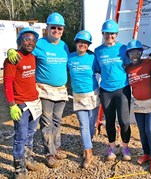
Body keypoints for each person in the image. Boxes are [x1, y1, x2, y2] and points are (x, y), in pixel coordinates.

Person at [8, 12, 69, 168]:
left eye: (59, 28)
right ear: (47, 28)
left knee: (57, 121)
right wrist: (12, 51)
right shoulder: (39, 44)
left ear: (63, 29)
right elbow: (24, 52)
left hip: (61, 91)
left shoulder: (64, 45)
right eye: (53, 27)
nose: (56, 30)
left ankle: (56, 148)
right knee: (47, 123)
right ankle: (49, 154)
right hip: (44, 90)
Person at [3, 27, 43, 178]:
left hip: (34, 102)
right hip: (21, 104)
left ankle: (28, 159)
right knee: (20, 136)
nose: (30, 42)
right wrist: (12, 104)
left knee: (31, 133)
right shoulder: (12, 60)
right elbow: (7, 83)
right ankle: (19, 169)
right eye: (26, 38)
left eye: (33, 40)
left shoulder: (32, 57)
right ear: (19, 41)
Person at [94, 19, 132, 161]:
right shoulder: (98, 51)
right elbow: (97, 69)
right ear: (103, 33)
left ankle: (125, 147)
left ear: (116, 34)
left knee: (124, 121)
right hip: (106, 90)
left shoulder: (123, 49)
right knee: (109, 120)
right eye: (107, 33)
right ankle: (112, 147)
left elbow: (130, 65)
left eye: (112, 34)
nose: (109, 36)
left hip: (122, 89)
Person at [125, 40, 151, 173]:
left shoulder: (150, 63)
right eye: (131, 52)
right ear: (128, 54)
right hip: (137, 103)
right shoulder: (128, 68)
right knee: (142, 130)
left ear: (141, 52)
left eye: (137, 51)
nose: (134, 54)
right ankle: (146, 154)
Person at [68, 30, 99, 168]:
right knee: (83, 125)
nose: (83, 45)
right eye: (80, 42)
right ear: (76, 42)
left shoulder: (93, 58)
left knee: (91, 126)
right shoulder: (70, 58)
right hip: (78, 96)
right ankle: (88, 153)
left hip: (93, 95)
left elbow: (104, 69)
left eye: (86, 43)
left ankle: (88, 143)